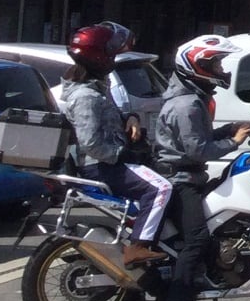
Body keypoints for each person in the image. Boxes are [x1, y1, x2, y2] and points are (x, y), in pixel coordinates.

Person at [152, 34, 250, 301]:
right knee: (196, 239)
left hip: (187, 177)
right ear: (198, 66)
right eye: (216, 64)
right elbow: (197, 151)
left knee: (208, 233)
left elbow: (197, 139)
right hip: (181, 181)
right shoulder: (187, 104)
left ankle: (193, 294)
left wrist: (228, 130)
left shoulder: (191, 98)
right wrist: (233, 142)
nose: (221, 69)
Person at [57, 23, 172, 272]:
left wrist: (130, 118)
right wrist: (122, 154)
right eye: (110, 53)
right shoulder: (85, 96)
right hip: (101, 167)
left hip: (108, 163)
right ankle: (138, 246)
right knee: (161, 188)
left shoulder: (97, 88)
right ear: (99, 57)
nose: (113, 58)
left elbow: (109, 118)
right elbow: (90, 143)